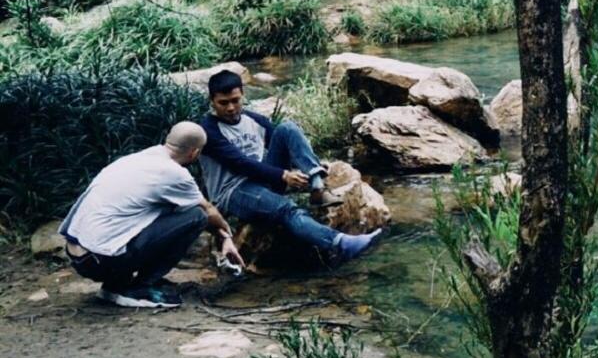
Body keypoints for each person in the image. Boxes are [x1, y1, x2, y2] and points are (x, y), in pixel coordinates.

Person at [197, 69, 381, 264]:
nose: (231, 108)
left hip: (262, 182)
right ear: (212, 101)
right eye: (223, 103)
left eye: (235, 100)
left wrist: (310, 164)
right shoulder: (208, 130)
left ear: (243, 94)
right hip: (233, 193)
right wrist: (283, 175)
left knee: (288, 128)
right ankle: (340, 244)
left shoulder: (254, 120)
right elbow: (241, 164)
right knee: (286, 208)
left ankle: (317, 185)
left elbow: (285, 144)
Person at [59, 121, 244, 308]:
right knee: (196, 217)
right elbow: (207, 211)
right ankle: (139, 288)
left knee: (178, 212)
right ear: (195, 153)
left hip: (78, 254)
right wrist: (226, 235)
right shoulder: (174, 173)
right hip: (101, 261)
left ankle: (117, 285)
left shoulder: (137, 158)